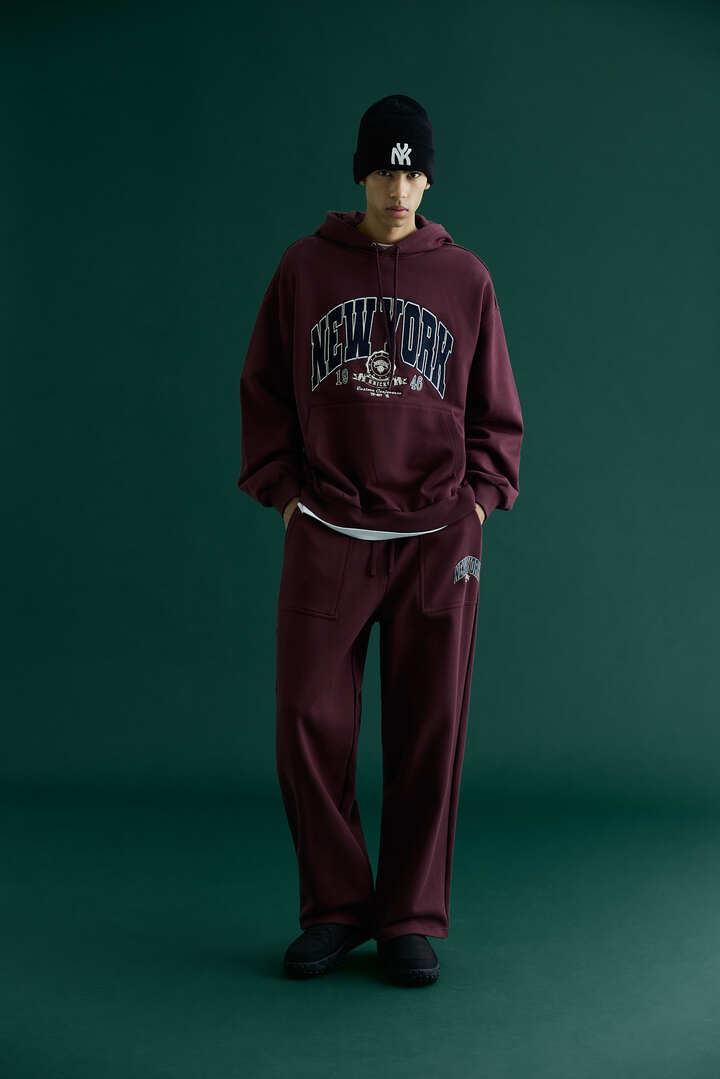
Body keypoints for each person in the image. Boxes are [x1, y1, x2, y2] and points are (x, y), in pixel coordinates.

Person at [236, 94, 524, 987]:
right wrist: (286, 496)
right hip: (328, 527)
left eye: (411, 172)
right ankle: (336, 907)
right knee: (304, 719)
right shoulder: (305, 267)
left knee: (429, 727)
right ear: (361, 174)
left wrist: (479, 503)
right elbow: (264, 389)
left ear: (429, 179)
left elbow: (497, 415)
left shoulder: (466, 279)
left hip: (438, 536)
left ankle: (407, 918)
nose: (397, 188)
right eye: (382, 170)